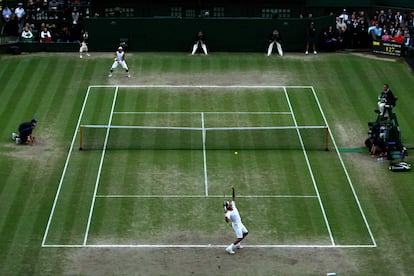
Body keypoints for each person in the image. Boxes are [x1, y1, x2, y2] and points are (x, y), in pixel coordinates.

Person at [224, 185, 248, 255]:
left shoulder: (233, 205)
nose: (231, 204)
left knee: (246, 233)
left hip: (240, 223)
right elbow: (227, 221)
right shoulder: (228, 213)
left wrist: (233, 189)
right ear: (228, 207)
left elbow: (233, 197)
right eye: (229, 204)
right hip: (236, 225)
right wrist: (225, 215)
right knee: (239, 237)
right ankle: (229, 248)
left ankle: (237, 244)